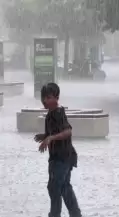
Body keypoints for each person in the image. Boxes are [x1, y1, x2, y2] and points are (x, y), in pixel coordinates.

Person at [34, 83, 82, 217]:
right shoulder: (51, 114)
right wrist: (45, 136)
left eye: (49, 97)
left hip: (62, 158)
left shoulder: (58, 112)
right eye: (44, 97)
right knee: (64, 187)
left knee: (55, 188)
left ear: (57, 97)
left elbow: (68, 131)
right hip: (61, 157)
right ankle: (75, 214)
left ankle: (56, 214)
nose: (45, 101)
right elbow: (56, 132)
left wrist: (50, 138)